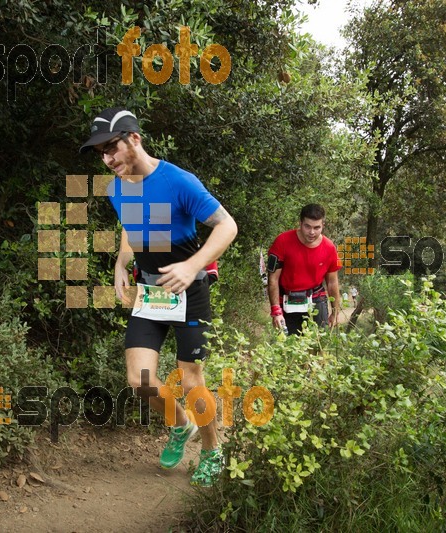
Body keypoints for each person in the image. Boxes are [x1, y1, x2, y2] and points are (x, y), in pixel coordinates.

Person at [80, 107, 238, 487]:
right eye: (101, 153)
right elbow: (130, 224)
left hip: (191, 290)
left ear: (134, 139)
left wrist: (191, 265)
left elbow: (226, 225)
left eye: (111, 148)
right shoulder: (116, 187)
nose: (107, 159)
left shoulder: (180, 182)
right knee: (139, 379)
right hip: (151, 293)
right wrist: (121, 263)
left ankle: (212, 451)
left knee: (190, 380)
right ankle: (180, 424)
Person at [267, 204, 342, 334]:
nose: (312, 232)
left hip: (316, 299)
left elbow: (332, 282)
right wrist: (276, 310)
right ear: (300, 223)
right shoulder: (282, 241)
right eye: (307, 226)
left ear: (323, 225)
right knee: (287, 347)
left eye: (317, 227)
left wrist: (335, 312)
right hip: (287, 300)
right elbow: (273, 279)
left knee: (318, 347)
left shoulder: (329, 248)